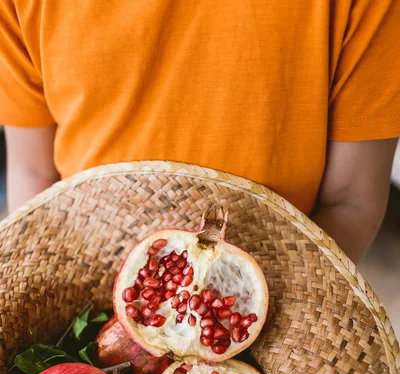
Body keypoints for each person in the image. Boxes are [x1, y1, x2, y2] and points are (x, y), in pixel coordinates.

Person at [0, 0, 399, 264]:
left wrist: (242, 306)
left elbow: (351, 202)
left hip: (284, 299)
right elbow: (34, 175)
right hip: (85, 290)